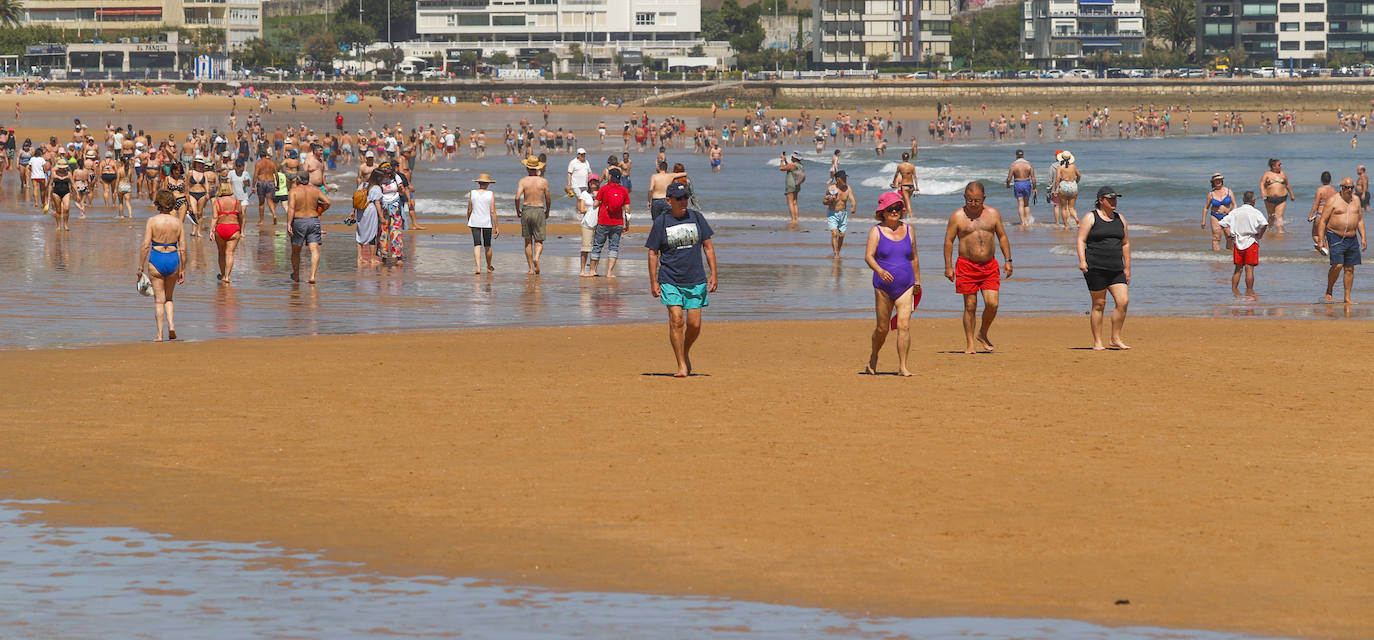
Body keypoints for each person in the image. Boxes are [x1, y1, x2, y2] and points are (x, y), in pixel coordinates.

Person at [645, 182, 718, 378]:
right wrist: (653, 281)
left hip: (695, 279)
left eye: (685, 197)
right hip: (670, 278)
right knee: (676, 320)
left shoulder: (697, 218)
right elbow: (653, 253)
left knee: (694, 325)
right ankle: (681, 365)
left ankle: (685, 352)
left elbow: (708, 247)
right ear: (669, 201)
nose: (683, 201)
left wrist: (714, 273)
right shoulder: (661, 222)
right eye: (679, 198)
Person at [942, 182, 1012, 354]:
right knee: (970, 305)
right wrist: (948, 267)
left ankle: (983, 333)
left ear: (984, 198)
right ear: (965, 198)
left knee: (992, 303)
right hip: (966, 265)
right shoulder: (957, 216)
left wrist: (1008, 260)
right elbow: (948, 242)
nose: (973, 204)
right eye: (970, 200)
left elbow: (1002, 237)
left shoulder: (993, 214)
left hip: (989, 265)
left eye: (977, 200)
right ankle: (970, 344)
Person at [864, 191, 921, 376]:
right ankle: (874, 356)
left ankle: (903, 366)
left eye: (897, 208)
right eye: (891, 209)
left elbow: (914, 257)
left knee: (903, 325)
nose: (895, 211)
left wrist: (918, 281)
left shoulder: (909, 230)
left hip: (906, 284)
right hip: (883, 286)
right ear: (883, 212)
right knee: (883, 328)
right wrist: (880, 270)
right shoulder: (876, 231)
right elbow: (869, 257)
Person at [1075, 186, 1132, 350]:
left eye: (1115, 198)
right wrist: (1082, 261)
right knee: (1099, 304)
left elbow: (1126, 243)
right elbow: (1081, 240)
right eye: (1110, 198)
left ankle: (1115, 338)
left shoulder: (1120, 218)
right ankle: (1098, 342)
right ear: (1101, 200)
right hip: (1095, 267)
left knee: (1123, 301)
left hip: (1116, 268)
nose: (1114, 201)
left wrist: (1127, 267)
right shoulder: (1090, 217)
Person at [137, 190, 185, 342]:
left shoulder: (152, 221)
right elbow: (183, 248)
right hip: (173, 258)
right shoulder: (178, 223)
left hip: (157, 258)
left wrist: (140, 267)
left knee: (159, 300)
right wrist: (182, 269)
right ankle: (172, 326)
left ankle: (159, 335)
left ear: (158, 203)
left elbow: (145, 245)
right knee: (169, 298)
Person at [1317, 176, 1367, 304]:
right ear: (1341, 187)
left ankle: (1347, 297)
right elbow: (1322, 221)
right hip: (1335, 235)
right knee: (1338, 265)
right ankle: (1329, 289)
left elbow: (1360, 220)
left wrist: (1363, 238)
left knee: (1350, 268)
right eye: (1346, 187)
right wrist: (1321, 240)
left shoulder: (1356, 200)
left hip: (1352, 237)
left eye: (1351, 187)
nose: (1349, 190)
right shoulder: (1333, 200)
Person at [1218, 191, 1268, 297]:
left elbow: (1222, 223)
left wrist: (1228, 235)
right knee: (1249, 269)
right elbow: (1264, 224)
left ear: (1243, 200)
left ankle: (1234, 290)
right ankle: (1249, 291)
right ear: (1253, 201)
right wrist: (1260, 235)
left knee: (1238, 269)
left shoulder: (1236, 211)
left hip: (1237, 241)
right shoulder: (1256, 212)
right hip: (1251, 241)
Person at [286, 172, 329, 283]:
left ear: (298, 180)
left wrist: (289, 223)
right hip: (313, 220)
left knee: (296, 251)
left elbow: (291, 208)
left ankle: (296, 275)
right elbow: (328, 202)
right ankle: (312, 276)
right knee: (314, 250)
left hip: (298, 222)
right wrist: (320, 210)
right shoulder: (315, 190)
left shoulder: (293, 191)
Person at [589, 167, 631, 277]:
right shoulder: (624, 190)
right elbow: (627, 210)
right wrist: (627, 224)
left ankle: (592, 271)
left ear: (610, 177)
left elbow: (595, 204)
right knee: (614, 247)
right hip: (617, 223)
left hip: (603, 221)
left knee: (597, 246)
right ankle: (609, 272)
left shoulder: (603, 189)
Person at [515, 155, 551, 275]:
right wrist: (548, 211)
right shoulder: (543, 181)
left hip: (526, 209)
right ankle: (536, 257)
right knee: (539, 241)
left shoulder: (523, 181)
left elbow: (517, 197)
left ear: (527, 168)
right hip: (539, 209)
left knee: (527, 241)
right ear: (537, 168)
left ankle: (531, 268)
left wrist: (517, 210)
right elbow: (548, 198)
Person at [210, 182, 244, 283]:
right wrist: (241, 229)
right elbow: (241, 216)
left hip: (220, 228)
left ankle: (223, 274)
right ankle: (228, 277)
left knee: (221, 253)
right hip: (234, 229)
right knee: (230, 253)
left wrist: (211, 230)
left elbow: (215, 217)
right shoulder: (237, 202)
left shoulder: (216, 202)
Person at [466, 173, 499, 275]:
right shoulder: (490, 194)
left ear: (479, 183)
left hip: (474, 221)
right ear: (488, 184)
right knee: (487, 245)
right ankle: (489, 266)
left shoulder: (473, 193)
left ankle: (478, 267)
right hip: (486, 223)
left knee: (477, 244)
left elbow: (469, 209)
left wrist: (469, 220)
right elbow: (492, 211)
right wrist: (496, 226)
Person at [823, 170, 856, 258]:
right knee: (834, 233)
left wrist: (853, 206)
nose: (845, 179)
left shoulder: (848, 188)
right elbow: (824, 202)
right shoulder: (831, 189)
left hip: (843, 214)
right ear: (838, 179)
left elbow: (852, 199)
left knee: (841, 235)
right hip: (832, 214)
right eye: (843, 178)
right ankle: (836, 253)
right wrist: (830, 200)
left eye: (846, 177)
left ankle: (838, 250)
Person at [1203, 172, 1237, 251]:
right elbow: (1206, 208)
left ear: (1222, 181)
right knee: (1216, 237)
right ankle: (1216, 257)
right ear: (1213, 182)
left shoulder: (1229, 191)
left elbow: (1234, 204)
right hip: (1215, 216)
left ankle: (1229, 255)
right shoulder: (1211, 194)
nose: (1218, 181)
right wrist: (1203, 220)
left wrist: (1232, 214)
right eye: (1216, 180)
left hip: (1227, 216)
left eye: (1220, 180)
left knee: (1230, 236)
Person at [1260, 158, 1294, 232]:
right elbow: (1262, 184)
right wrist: (1262, 193)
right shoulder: (1267, 174)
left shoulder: (1282, 174)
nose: (1281, 166)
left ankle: (1280, 232)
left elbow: (1287, 185)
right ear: (1273, 166)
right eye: (1279, 165)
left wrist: (1292, 194)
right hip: (1269, 199)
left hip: (1282, 198)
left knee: (1279, 216)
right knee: (1271, 217)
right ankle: (1270, 231)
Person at [1306, 171, 1336, 252]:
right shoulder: (1334, 190)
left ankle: (1324, 247)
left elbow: (1316, 204)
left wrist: (1310, 216)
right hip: (1330, 215)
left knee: (1315, 234)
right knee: (1327, 234)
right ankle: (1327, 247)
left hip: (1320, 214)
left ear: (1321, 180)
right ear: (1330, 180)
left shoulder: (1320, 190)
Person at [1005, 149, 1036, 228]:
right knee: (1026, 203)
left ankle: (1023, 222)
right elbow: (1033, 177)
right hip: (1027, 183)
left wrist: (1008, 184)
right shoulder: (1028, 164)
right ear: (1023, 155)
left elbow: (1009, 178)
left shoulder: (1013, 165)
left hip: (1018, 183)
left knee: (1020, 203)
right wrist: (1035, 188)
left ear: (1016, 156)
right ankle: (1028, 221)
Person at [1051, 150, 1081, 228]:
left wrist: (1055, 190)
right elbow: (1079, 175)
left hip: (1064, 186)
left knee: (1064, 208)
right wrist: (1076, 182)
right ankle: (1076, 219)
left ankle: (1066, 225)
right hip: (1073, 185)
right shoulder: (1073, 166)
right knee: (1071, 208)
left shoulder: (1060, 167)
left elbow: (1057, 179)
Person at [578, 175, 600, 276]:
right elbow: (581, 209)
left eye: (595, 181)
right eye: (591, 182)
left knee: (597, 247)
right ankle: (582, 270)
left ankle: (593, 269)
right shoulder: (584, 194)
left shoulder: (601, 192)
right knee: (585, 248)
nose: (593, 183)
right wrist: (592, 209)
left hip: (599, 222)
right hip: (587, 223)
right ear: (588, 183)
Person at [45, 163, 74, 231]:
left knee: (66, 208)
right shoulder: (54, 174)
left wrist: (77, 193)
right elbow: (50, 185)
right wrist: (49, 195)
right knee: (58, 210)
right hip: (56, 193)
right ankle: (58, 226)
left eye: (63, 167)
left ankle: (65, 224)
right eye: (61, 167)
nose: (62, 169)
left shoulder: (69, 174)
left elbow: (73, 183)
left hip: (66, 193)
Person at [780, 151, 805, 224]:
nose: (791, 158)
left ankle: (793, 219)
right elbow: (789, 167)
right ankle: (796, 219)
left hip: (791, 184)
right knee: (795, 202)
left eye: (792, 157)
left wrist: (781, 160)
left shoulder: (793, 165)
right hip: (797, 184)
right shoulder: (800, 165)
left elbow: (782, 168)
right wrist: (785, 160)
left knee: (790, 202)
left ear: (794, 158)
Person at [253, 152, 278, 224]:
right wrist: (277, 185)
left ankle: (261, 221)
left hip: (261, 183)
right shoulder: (272, 162)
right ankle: (274, 215)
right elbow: (276, 174)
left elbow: (255, 175)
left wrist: (253, 186)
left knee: (261, 203)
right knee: (270, 201)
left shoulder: (258, 163)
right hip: (270, 183)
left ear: (260, 155)